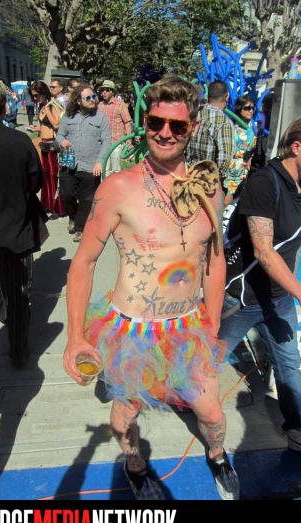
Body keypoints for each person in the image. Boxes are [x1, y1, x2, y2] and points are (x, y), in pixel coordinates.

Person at [62, 76, 240, 501]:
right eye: (156, 122)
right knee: (125, 417)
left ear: (193, 127)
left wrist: (213, 325)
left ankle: (217, 455)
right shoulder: (118, 188)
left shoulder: (208, 188)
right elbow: (83, 263)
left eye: (177, 125)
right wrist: (75, 337)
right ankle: (135, 465)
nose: (165, 133)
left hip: (188, 327)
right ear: (145, 122)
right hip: (133, 331)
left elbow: (215, 260)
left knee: (213, 414)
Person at [218, 113, 301, 459]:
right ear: (297, 147)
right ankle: (180, 398)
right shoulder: (264, 183)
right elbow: (263, 250)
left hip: (278, 299)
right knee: (206, 363)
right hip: (243, 298)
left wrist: (291, 292)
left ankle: (298, 430)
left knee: (290, 366)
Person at [0, 75, 46, 368]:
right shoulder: (20, 141)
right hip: (18, 229)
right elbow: (36, 182)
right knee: (19, 293)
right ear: (3, 106)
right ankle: (18, 349)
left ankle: (4, 315)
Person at [56, 83, 111, 242]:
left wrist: (100, 162)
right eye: (88, 97)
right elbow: (60, 135)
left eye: (94, 96)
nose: (93, 99)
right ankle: (73, 217)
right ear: (79, 101)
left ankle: (80, 228)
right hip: (69, 164)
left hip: (91, 166)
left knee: (87, 199)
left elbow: (107, 141)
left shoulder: (101, 118)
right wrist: (62, 141)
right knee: (66, 195)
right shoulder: (68, 116)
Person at [186, 80, 235, 190]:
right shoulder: (223, 122)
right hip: (207, 184)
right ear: (227, 97)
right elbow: (225, 159)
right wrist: (215, 180)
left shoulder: (195, 114)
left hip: (188, 177)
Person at [31, 80, 65, 218]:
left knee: (53, 176)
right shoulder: (43, 106)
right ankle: (48, 204)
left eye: (36, 95)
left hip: (53, 146)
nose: (35, 98)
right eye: (33, 96)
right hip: (44, 144)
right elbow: (43, 126)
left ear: (43, 93)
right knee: (46, 175)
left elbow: (57, 124)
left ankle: (57, 206)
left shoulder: (52, 105)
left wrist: (48, 108)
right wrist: (36, 128)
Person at [222, 94, 257, 205]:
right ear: (239, 109)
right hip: (232, 173)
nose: (251, 111)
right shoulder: (232, 128)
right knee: (227, 203)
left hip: (243, 172)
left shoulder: (250, 127)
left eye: (252, 108)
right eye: (247, 108)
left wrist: (250, 159)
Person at [97, 79, 133, 176]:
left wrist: (129, 139)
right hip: (103, 142)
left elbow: (127, 122)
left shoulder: (120, 104)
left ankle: (116, 185)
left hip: (116, 141)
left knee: (116, 169)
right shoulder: (100, 105)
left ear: (113, 92)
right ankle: (104, 185)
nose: (104, 92)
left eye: (107, 90)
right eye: (102, 90)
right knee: (104, 168)